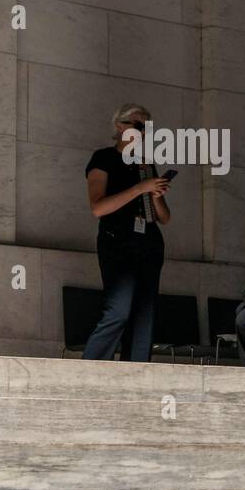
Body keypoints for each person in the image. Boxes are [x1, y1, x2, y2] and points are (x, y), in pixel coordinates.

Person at [81, 103, 171, 362]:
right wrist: (140, 188)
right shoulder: (103, 159)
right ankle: (91, 369)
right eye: (139, 125)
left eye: (148, 128)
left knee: (145, 316)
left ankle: (136, 375)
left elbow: (164, 217)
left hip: (149, 244)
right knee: (118, 310)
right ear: (119, 127)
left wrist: (154, 194)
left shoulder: (146, 164)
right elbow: (98, 207)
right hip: (117, 243)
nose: (143, 133)